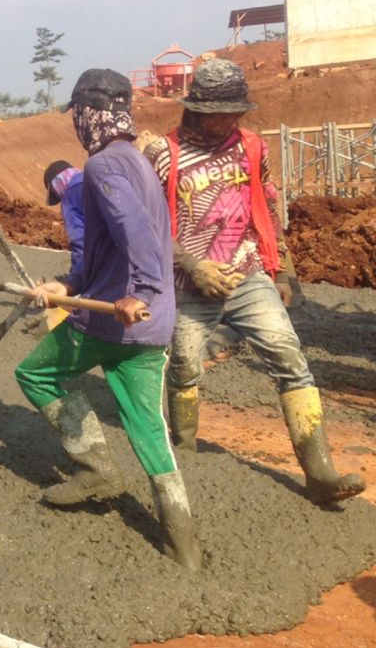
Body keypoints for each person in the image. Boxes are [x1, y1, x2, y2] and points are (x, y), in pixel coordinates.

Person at [145, 58, 365, 504]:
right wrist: (192, 265)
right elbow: (146, 229)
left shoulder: (251, 146)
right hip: (190, 283)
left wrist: (280, 269)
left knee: (289, 357)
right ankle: (186, 452)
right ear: (196, 108)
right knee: (185, 365)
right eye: (220, 112)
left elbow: (265, 206)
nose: (229, 120)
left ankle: (319, 471)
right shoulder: (163, 156)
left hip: (247, 275)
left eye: (235, 111)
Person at [16, 69, 199, 570]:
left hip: (113, 323)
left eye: (77, 114)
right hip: (153, 326)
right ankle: (184, 545)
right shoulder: (136, 161)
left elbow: (137, 232)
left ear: (87, 114)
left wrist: (136, 291)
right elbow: (108, 248)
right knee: (148, 428)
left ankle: (95, 468)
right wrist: (68, 287)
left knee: (34, 373)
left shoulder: (101, 166)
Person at [42, 159, 85, 280]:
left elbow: (80, 240)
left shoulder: (70, 196)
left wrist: (76, 279)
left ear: (57, 184)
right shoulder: (95, 178)